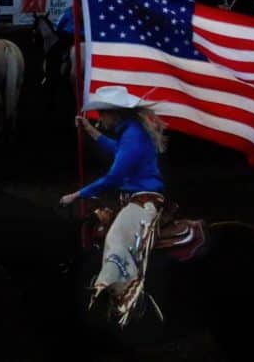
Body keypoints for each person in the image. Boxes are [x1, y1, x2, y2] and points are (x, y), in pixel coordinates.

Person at [59, 86, 167, 327]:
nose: (100, 119)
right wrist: (91, 132)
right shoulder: (131, 132)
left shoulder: (132, 135)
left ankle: (126, 300)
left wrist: (77, 195)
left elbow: (114, 177)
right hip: (134, 197)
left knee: (115, 241)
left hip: (143, 200)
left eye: (102, 115)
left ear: (114, 113)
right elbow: (118, 152)